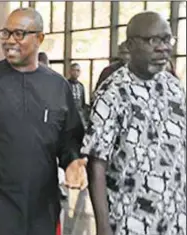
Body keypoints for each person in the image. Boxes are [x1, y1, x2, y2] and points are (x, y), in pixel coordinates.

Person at [0, 8, 87, 235]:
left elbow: (69, 140)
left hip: (41, 207)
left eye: (19, 34)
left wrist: (73, 161)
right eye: (6, 33)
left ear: (40, 38)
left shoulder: (57, 87)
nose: (9, 41)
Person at [83, 12, 185, 235]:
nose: (162, 48)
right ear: (130, 44)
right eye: (152, 40)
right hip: (129, 219)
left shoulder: (175, 89)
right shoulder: (112, 94)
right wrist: (103, 224)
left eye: (167, 39)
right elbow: (96, 163)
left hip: (174, 217)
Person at [67, 63, 88, 127]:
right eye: (74, 70)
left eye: (78, 70)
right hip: (68, 116)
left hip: (80, 115)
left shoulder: (81, 86)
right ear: (70, 71)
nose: (76, 72)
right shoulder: (65, 84)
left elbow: (83, 103)